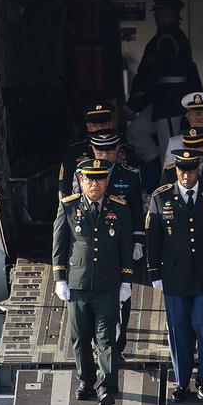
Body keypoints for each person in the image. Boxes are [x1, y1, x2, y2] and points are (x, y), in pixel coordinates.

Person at [146, 149, 203, 403]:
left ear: (198, 171)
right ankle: (182, 381)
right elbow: (154, 238)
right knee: (178, 329)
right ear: (176, 171)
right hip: (175, 275)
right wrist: (154, 272)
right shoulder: (161, 197)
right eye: (182, 171)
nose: (186, 176)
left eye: (191, 170)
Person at [52, 158, 134, 405]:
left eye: (99, 179)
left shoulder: (119, 208)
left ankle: (107, 389)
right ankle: (86, 380)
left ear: (106, 181)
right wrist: (60, 279)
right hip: (77, 286)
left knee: (106, 339)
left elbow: (125, 247)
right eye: (90, 179)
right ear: (81, 181)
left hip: (107, 286)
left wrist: (126, 280)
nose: (94, 184)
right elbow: (59, 245)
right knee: (79, 337)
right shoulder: (68, 207)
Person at [74, 130, 146, 356]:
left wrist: (138, 241)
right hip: (95, 247)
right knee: (95, 299)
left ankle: (118, 345)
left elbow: (136, 210)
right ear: (93, 150)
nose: (104, 154)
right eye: (100, 150)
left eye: (109, 150)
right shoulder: (83, 175)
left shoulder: (130, 175)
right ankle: (100, 345)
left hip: (121, 247)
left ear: (118, 151)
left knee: (123, 296)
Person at [126, 0, 202, 162]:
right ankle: (157, 173)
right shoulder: (163, 38)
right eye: (159, 12)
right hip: (160, 101)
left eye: (162, 12)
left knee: (171, 149)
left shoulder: (169, 38)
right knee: (136, 132)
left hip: (170, 103)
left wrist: (134, 104)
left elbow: (153, 73)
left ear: (171, 14)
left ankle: (172, 184)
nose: (158, 16)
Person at [59, 103, 139, 198]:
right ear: (88, 126)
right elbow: (64, 186)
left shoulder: (125, 150)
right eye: (95, 125)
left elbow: (135, 184)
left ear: (111, 124)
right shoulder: (75, 150)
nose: (100, 128)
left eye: (103, 123)